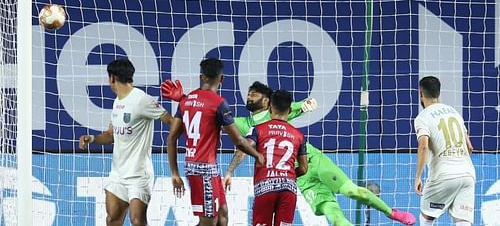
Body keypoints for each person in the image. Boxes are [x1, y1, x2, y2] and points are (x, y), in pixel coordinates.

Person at [162, 79, 416, 226]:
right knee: (335, 217)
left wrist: (307, 105)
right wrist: (183, 98)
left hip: (313, 161)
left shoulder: (282, 110)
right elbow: (211, 122)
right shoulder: (242, 123)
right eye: (248, 93)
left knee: (351, 191)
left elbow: (300, 105)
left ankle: (391, 213)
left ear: (268, 101)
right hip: (296, 178)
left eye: (255, 93)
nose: (249, 96)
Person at [166, 57, 264, 226]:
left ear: (201, 77)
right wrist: (257, 155)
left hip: (203, 167)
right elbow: (239, 141)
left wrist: (175, 172)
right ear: (222, 79)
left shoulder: (186, 101)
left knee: (222, 214)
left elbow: (172, 137)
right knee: (209, 222)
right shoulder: (219, 103)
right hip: (203, 168)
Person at [79, 58, 173, 226]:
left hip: (139, 175)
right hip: (118, 174)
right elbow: (110, 135)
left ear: (112, 78)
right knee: (112, 219)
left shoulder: (142, 100)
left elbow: (171, 122)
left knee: (137, 221)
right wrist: (92, 139)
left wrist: (173, 141)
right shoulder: (118, 101)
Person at [414, 76, 475, 226]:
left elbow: (423, 146)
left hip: (443, 174)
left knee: (426, 217)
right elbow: (469, 147)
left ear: (420, 93)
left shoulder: (423, 117)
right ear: (439, 93)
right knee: (463, 221)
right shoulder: (454, 112)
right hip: (468, 174)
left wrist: (418, 177)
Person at [246, 89, 308, 226]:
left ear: (270, 108)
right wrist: (287, 174)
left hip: (265, 188)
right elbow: (303, 168)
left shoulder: (258, 129)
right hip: (288, 190)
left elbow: (245, 146)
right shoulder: (299, 136)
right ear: (290, 110)